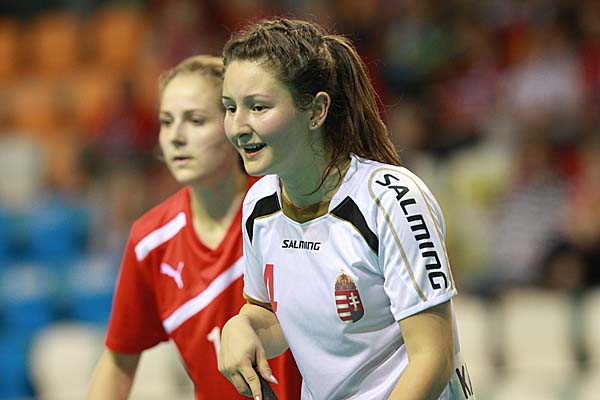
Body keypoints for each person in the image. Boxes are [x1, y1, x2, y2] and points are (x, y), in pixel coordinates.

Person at [217, 18, 475, 400]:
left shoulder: (391, 200)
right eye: (230, 107)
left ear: (316, 110)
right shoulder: (260, 205)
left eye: (258, 107)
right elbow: (274, 315)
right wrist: (242, 327)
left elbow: (433, 358)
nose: (238, 126)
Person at [87, 55, 302, 400]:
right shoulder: (150, 242)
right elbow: (117, 363)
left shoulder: (286, 211)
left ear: (234, 125)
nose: (176, 137)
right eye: (166, 121)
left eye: (196, 120)